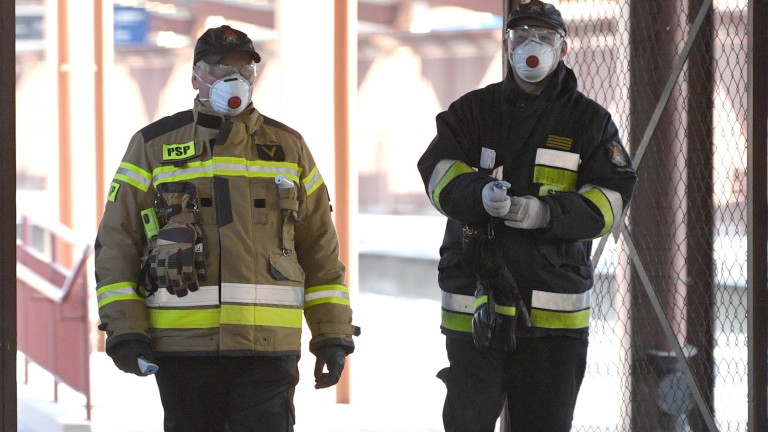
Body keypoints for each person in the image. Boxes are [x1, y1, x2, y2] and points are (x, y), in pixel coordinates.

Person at [95, 24, 358, 432]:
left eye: (245, 70)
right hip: (185, 350)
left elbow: (320, 249)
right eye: (221, 69)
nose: (235, 79)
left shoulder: (289, 147)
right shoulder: (153, 145)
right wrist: (126, 330)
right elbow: (117, 244)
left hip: (268, 348)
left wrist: (331, 334)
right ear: (196, 76)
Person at [417, 1, 637, 431]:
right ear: (507, 45)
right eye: (521, 36)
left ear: (564, 48)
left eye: (544, 37)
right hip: (474, 305)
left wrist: (545, 214)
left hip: (552, 320)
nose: (531, 46)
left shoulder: (589, 122)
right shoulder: (472, 112)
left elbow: (612, 199)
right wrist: (479, 194)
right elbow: (438, 173)